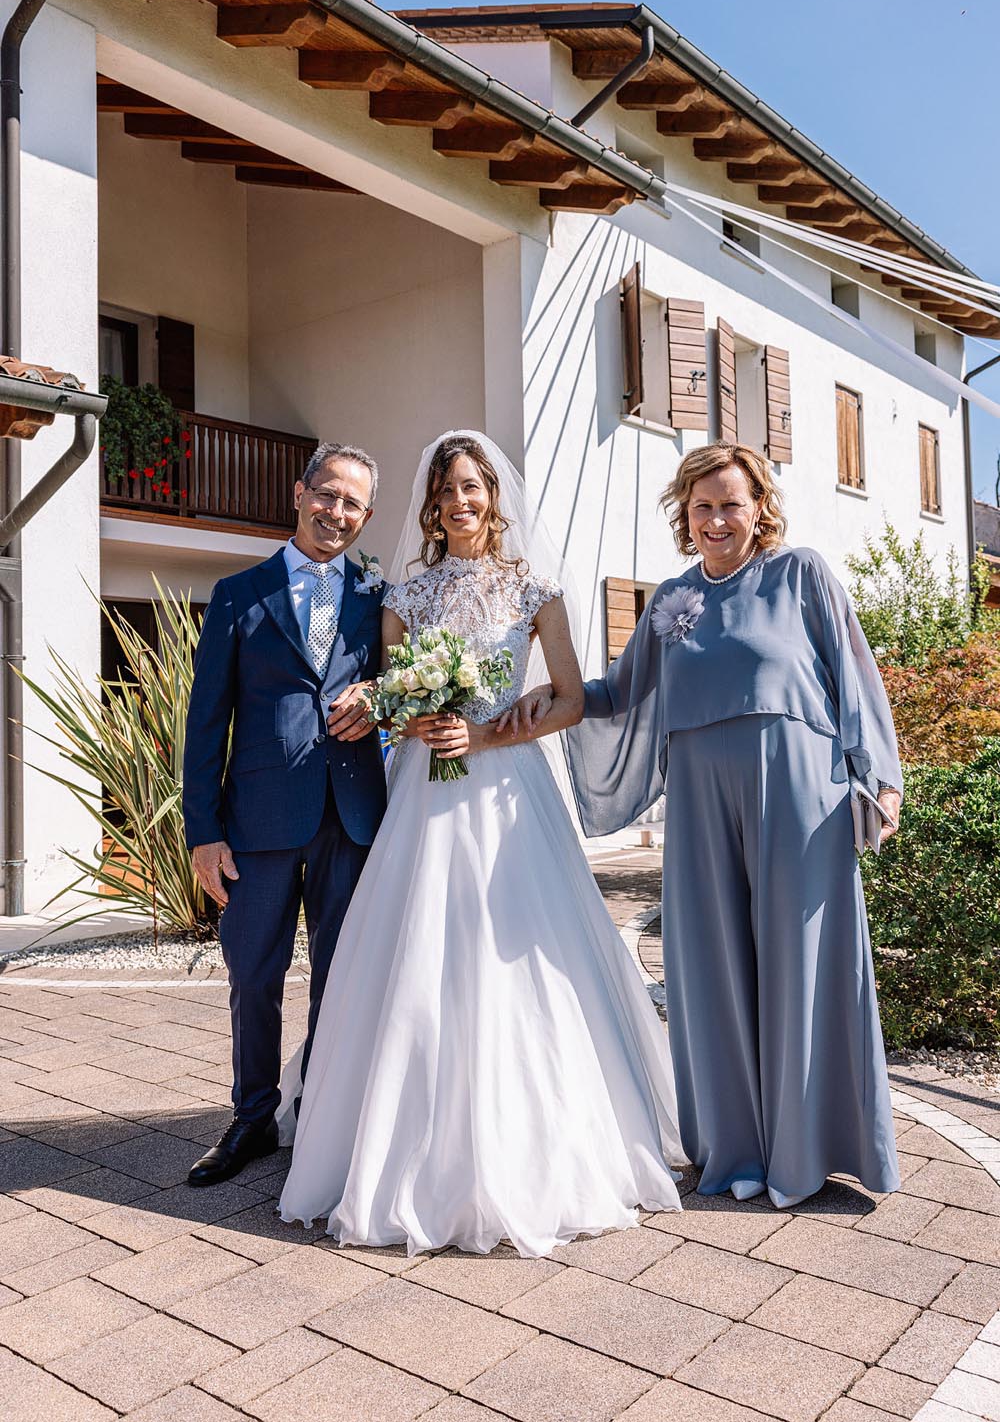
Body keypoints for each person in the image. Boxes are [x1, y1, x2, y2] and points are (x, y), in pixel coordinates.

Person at [276, 431, 684, 1257]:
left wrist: (490, 735)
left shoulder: (535, 590)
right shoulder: (403, 595)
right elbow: (388, 703)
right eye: (447, 489)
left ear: (494, 496)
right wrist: (414, 716)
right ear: (431, 503)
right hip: (423, 797)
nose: (461, 501)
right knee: (415, 951)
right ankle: (389, 1144)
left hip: (508, 793)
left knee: (519, 955)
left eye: (474, 487)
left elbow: (569, 698)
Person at [515, 442, 903, 1210]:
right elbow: (620, 692)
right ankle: (736, 1152)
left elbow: (855, 675)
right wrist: (540, 697)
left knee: (802, 961)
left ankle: (807, 1151)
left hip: (800, 790)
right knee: (710, 968)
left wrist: (880, 780)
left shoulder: (803, 575)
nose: (718, 519)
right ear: (683, 515)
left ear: (760, 507)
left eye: (731, 503)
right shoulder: (669, 600)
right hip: (697, 798)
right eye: (703, 506)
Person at [182, 442, 388, 1186]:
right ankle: (251, 1120)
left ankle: (329, 1117)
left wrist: (380, 699)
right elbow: (206, 721)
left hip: (354, 816)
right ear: (300, 493)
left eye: (353, 504)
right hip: (258, 821)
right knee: (254, 974)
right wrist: (203, 831)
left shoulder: (379, 596)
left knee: (343, 975)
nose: (337, 512)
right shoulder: (239, 593)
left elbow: (408, 689)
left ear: (367, 516)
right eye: (327, 495)